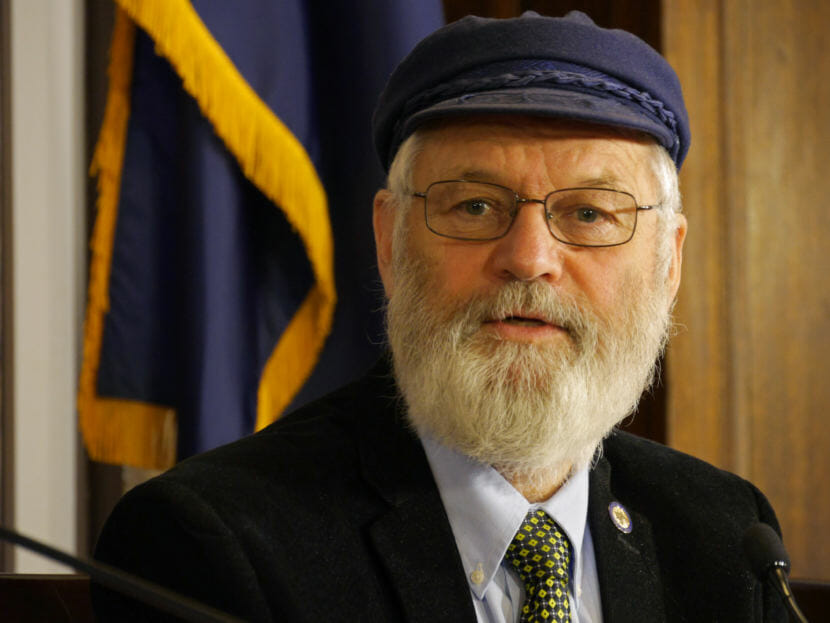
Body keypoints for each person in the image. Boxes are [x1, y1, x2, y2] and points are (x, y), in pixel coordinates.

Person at [93, 11, 787, 622]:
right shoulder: (214, 542)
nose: (529, 258)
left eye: (589, 214)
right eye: (475, 206)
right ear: (390, 243)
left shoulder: (728, 535)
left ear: (669, 264)